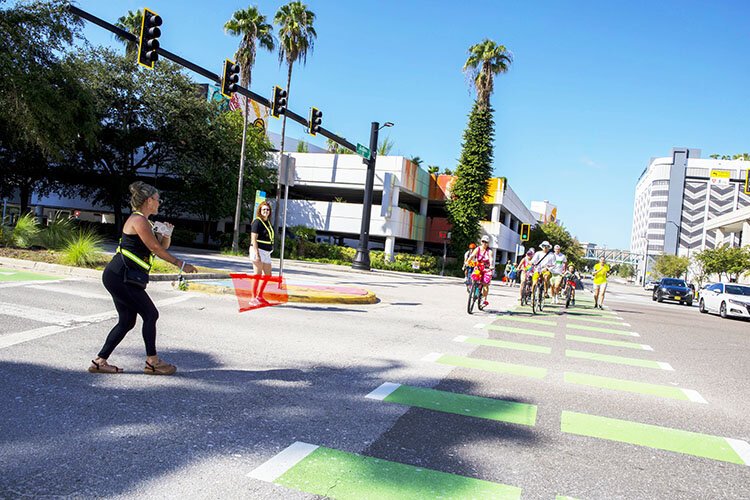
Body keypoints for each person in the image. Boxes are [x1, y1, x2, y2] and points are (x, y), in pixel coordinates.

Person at [88, 182, 198, 375]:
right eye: (157, 199)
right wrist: (181, 265)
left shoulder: (145, 222)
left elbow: (160, 246)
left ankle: (99, 362)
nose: (159, 203)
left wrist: (167, 234)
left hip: (121, 276)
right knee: (150, 314)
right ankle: (152, 362)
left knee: (127, 321)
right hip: (121, 275)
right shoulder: (138, 220)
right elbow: (156, 248)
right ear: (149, 201)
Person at [250, 201, 274, 303]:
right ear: (260, 210)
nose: (266, 211)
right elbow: (253, 239)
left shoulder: (268, 222)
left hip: (267, 252)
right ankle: (252, 298)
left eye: (267, 209)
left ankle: (259, 296)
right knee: (257, 274)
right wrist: (257, 254)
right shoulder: (257, 222)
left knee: (268, 275)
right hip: (258, 250)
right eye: (264, 209)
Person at [468, 235, 493, 307]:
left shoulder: (489, 251)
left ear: (488, 243)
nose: (484, 243)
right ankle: (473, 287)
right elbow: (472, 255)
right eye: (483, 241)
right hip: (478, 266)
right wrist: (467, 261)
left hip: (487, 268)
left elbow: (491, 258)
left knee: (485, 284)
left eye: (486, 242)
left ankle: (484, 300)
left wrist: (491, 265)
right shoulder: (477, 249)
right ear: (481, 242)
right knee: (474, 278)